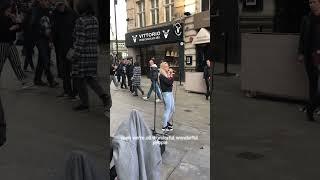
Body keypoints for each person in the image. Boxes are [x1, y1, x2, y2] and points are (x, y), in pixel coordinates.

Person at [71, 2, 111, 112]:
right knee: (90, 77)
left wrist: (75, 55)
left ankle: (85, 103)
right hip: (93, 53)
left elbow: (81, 39)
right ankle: (103, 96)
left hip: (82, 54)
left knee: (79, 79)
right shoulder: (95, 19)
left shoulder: (80, 21)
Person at [0, 1, 32, 89]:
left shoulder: (10, 17)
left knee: (16, 62)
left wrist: (17, 21)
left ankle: (23, 81)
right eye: (9, 8)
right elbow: (3, 31)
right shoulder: (1, 17)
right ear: (5, 8)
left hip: (11, 43)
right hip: (2, 44)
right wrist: (11, 29)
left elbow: (19, 28)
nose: (10, 9)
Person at [298, 0, 320, 121]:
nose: (311, 4)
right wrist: (300, 53)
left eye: (314, 1)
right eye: (309, 2)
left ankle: (311, 107)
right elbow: (302, 37)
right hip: (310, 55)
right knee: (313, 82)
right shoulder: (306, 19)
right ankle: (312, 107)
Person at [52, 1, 78, 98]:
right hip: (60, 46)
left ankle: (75, 92)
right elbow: (54, 29)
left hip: (71, 46)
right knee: (64, 70)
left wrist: (75, 44)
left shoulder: (72, 14)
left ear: (64, 4)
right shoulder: (55, 14)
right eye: (58, 5)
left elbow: (77, 28)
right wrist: (52, 41)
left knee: (73, 70)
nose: (60, 7)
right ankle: (67, 90)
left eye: (61, 4)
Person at [31, 0, 58, 87]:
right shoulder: (36, 10)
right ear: (40, 1)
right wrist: (42, 32)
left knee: (42, 59)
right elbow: (33, 25)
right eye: (45, 0)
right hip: (40, 38)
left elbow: (51, 24)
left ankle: (37, 79)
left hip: (47, 38)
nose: (47, 2)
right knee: (45, 59)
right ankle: (51, 80)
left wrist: (51, 38)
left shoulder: (48, 10)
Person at [159, 62, 174, 131]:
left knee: (172, 109)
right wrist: (170, 75)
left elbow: (170, 82)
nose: (167, 68)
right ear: (162, 68)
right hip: (166, 93)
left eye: (168, 66)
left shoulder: (166, 74)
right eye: (165, 67)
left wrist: (170, 75)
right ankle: (164, 126)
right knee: (168, 109)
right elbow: (169, 83)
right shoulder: (161, 75)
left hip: (170, 93)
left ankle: (167, 122)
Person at [21, 0, 35, 72]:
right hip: (29, 37)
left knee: (29, 53)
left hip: (28, 37)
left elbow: (23, 26)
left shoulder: (27, 17)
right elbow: (23, 26)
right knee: (29, 53)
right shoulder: (29, 17)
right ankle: (31, 67)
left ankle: (25, 67)